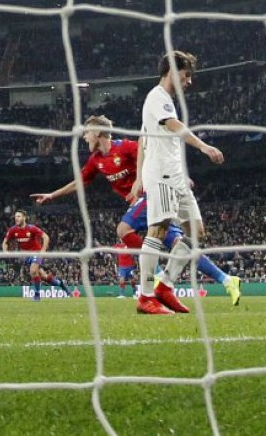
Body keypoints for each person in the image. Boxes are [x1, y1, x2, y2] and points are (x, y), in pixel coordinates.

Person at [30, 114, 187, 304]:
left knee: (123, 229)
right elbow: (79, 182)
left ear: (97, 133)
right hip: (144, 204)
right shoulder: (96, 160)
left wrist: (168, 177)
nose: (84, 137)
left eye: (87, 133)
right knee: (180, 243)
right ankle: (225, 280)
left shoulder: (126, 147)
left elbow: (152, 155)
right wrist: (52, 195)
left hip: (153, 194)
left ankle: (158, 273)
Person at [132, 50, 241, 315]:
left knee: (195, 231)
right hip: (161, 175)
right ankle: (145, 296)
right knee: (157, 230)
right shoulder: (156, 97)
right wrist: (203, 146)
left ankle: (165, 286)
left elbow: (144, 138)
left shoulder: (166, 100)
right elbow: (172, 126)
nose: (189, 82)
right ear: (171, 70)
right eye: (186, 75)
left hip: (176, 175)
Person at [1, 210, 71, 301]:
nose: (16, 218)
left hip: (36, 253)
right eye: (15, 216)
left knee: (33, 271)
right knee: (44, 277)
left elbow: (45, 237)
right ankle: (60, 284)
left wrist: (43, 250)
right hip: (26, 256)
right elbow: (5, 242)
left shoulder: (31, 228)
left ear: (24, 218)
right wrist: (5, 252)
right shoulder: (13, 230)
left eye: (19, 216)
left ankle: (37, 295)